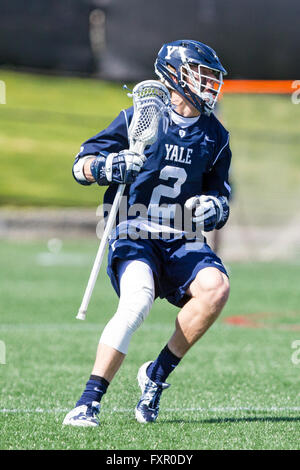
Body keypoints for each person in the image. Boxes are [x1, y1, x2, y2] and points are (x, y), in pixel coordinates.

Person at [63, 39, 232, 426]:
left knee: (216, 288)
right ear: (176, 75)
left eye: (211, 77)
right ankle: (89, 401)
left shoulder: (216, 136)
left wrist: (214, 207)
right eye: (201, 75)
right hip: (134, 229)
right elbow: (81, 165)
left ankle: (155, 376)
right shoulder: (137, 117)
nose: (209, 85)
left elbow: (221, 194)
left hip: (184, 237)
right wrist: (108, 167)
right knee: (137, 301)